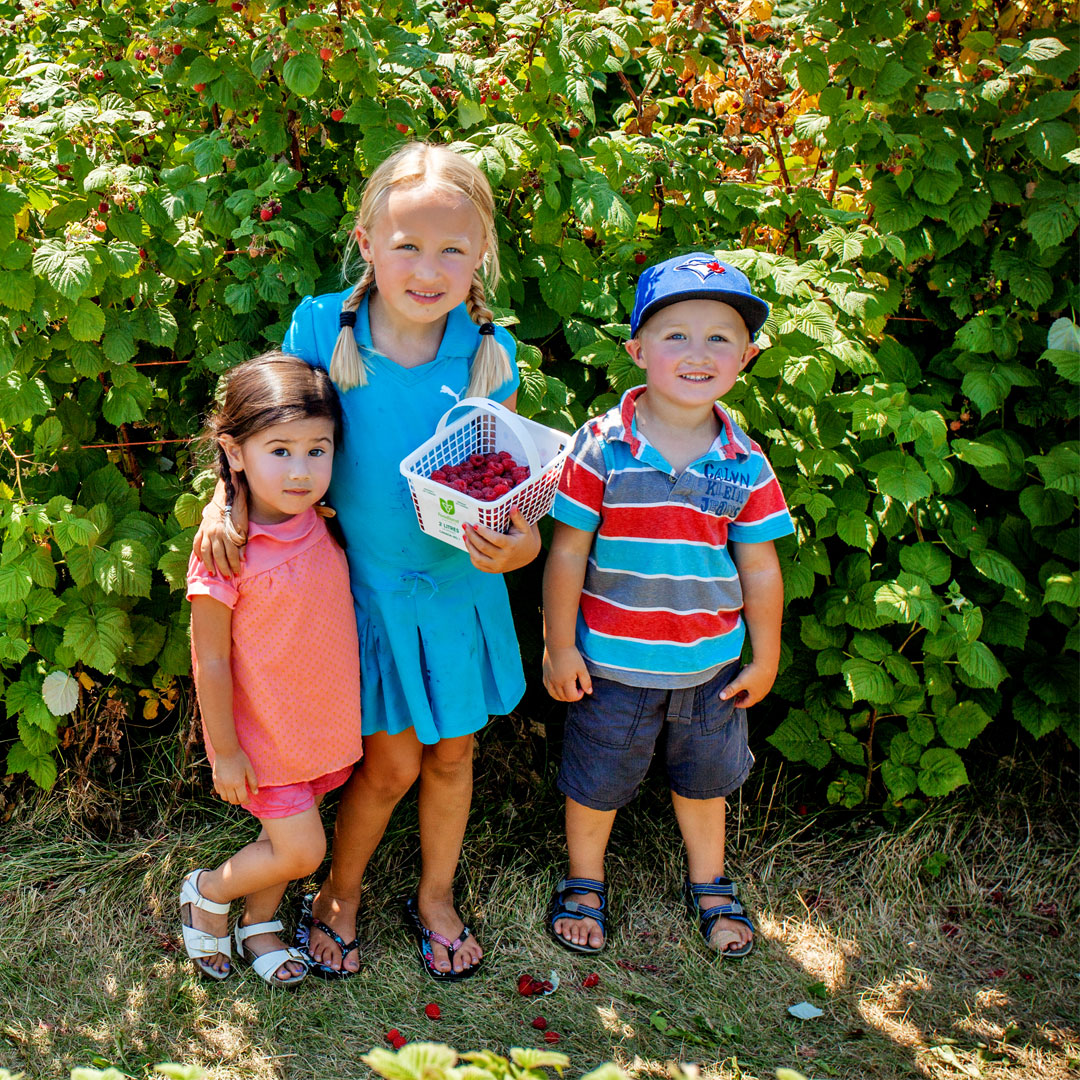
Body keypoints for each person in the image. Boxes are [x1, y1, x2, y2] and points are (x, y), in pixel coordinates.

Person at [193, 142, 539, 981]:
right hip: (369, 596)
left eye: (453, 249)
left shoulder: (489, 356)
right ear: (367, 241)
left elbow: (514, 491)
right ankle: (338, 894)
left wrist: (519, 545)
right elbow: (273, 431)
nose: (429, 269)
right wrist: (221, 503)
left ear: (480, 255)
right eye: (407, 246)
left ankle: (436, 894)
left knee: (454, 755)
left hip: (460, 590)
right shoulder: (321, 328)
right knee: (386, 763)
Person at [542, 253, 794, 958]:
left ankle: (710, 881)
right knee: (596, 781)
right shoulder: (600, 445)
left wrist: (765, 654)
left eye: (720, 337)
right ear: (637, 350)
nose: (698, 352)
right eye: (676, 334)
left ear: (745, 356)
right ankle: (584, 881)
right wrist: (559, 645)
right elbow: (567, 552)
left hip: (710, 666)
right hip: (610, 661)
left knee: (704, 780)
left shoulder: (744, 458)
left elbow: (759, 564)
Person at [181, 352, 363, 986]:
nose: (301, 470)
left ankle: (260, 924)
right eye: (279, 450)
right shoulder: (225, 553)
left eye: (318, 450)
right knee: (302, 848)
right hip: (260, 738)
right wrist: (224, 753)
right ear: (235, 452)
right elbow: (209, 659)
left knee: (292, 843)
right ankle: (207, 895)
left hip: (314, 725)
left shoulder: (319, 518)